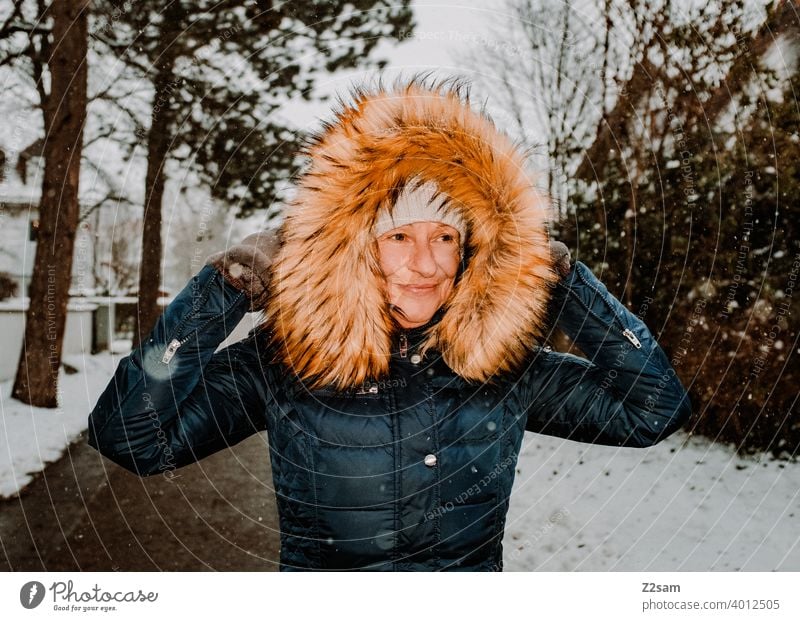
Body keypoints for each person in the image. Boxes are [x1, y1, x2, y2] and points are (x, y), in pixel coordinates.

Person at [88, 77, 691, 571]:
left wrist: (562, 284)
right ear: (357, 249)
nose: (424, 264)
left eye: (445, 238)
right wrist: (225, 289)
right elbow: (131, 439)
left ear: (471, 251)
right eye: (398, 236)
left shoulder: (500, 363)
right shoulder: (288, 359)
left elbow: (652, 411)